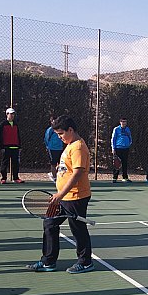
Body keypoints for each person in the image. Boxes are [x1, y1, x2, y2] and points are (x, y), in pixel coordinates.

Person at [26, 115, 94, 274]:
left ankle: (85, 262)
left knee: (78, 228)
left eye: (61, 134)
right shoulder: (70, 144)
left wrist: (61, 194)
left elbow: (77, 173)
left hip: (76, 196)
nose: (59, 137)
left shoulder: (78, 147)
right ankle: (48, 261)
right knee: (50, 223)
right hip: (63, 197)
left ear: (70, 130)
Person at [0, 107, 24, 184]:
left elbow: (18, 135)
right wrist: (2, 146)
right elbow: (0, 136)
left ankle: (16, 178)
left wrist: (19, 146)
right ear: (7, 114)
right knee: (4, 163)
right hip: (6, 147)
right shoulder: (2, 124)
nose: (12, 115)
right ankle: (3, 178)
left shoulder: (16, 124)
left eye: (13, 114)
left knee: (16, 163)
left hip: (15, 147)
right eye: (10, 114)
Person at [111, 117, 133, 183]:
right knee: (117, 163)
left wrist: (129, 144)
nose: (124, 123)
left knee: (125, 163)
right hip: (118, 148)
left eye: (125, 122)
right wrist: (113, 148)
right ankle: (115, 178)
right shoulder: (116, 129)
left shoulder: (127, 129)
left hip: (126, 148)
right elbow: (113, 139)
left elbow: (130, 137)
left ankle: (125, 177)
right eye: (122, 122)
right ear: (120, 122)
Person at [44, 115, 64, 182]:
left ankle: (58, 176)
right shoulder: (50, 130)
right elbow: (47, 138)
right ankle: (54, 178)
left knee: (61, 163)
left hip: (60, 148)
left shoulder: (61, 129)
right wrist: (47, 146)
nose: (55, 122)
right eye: (53, 121)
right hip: (52, 149)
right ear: (51, 122)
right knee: (53, 163)